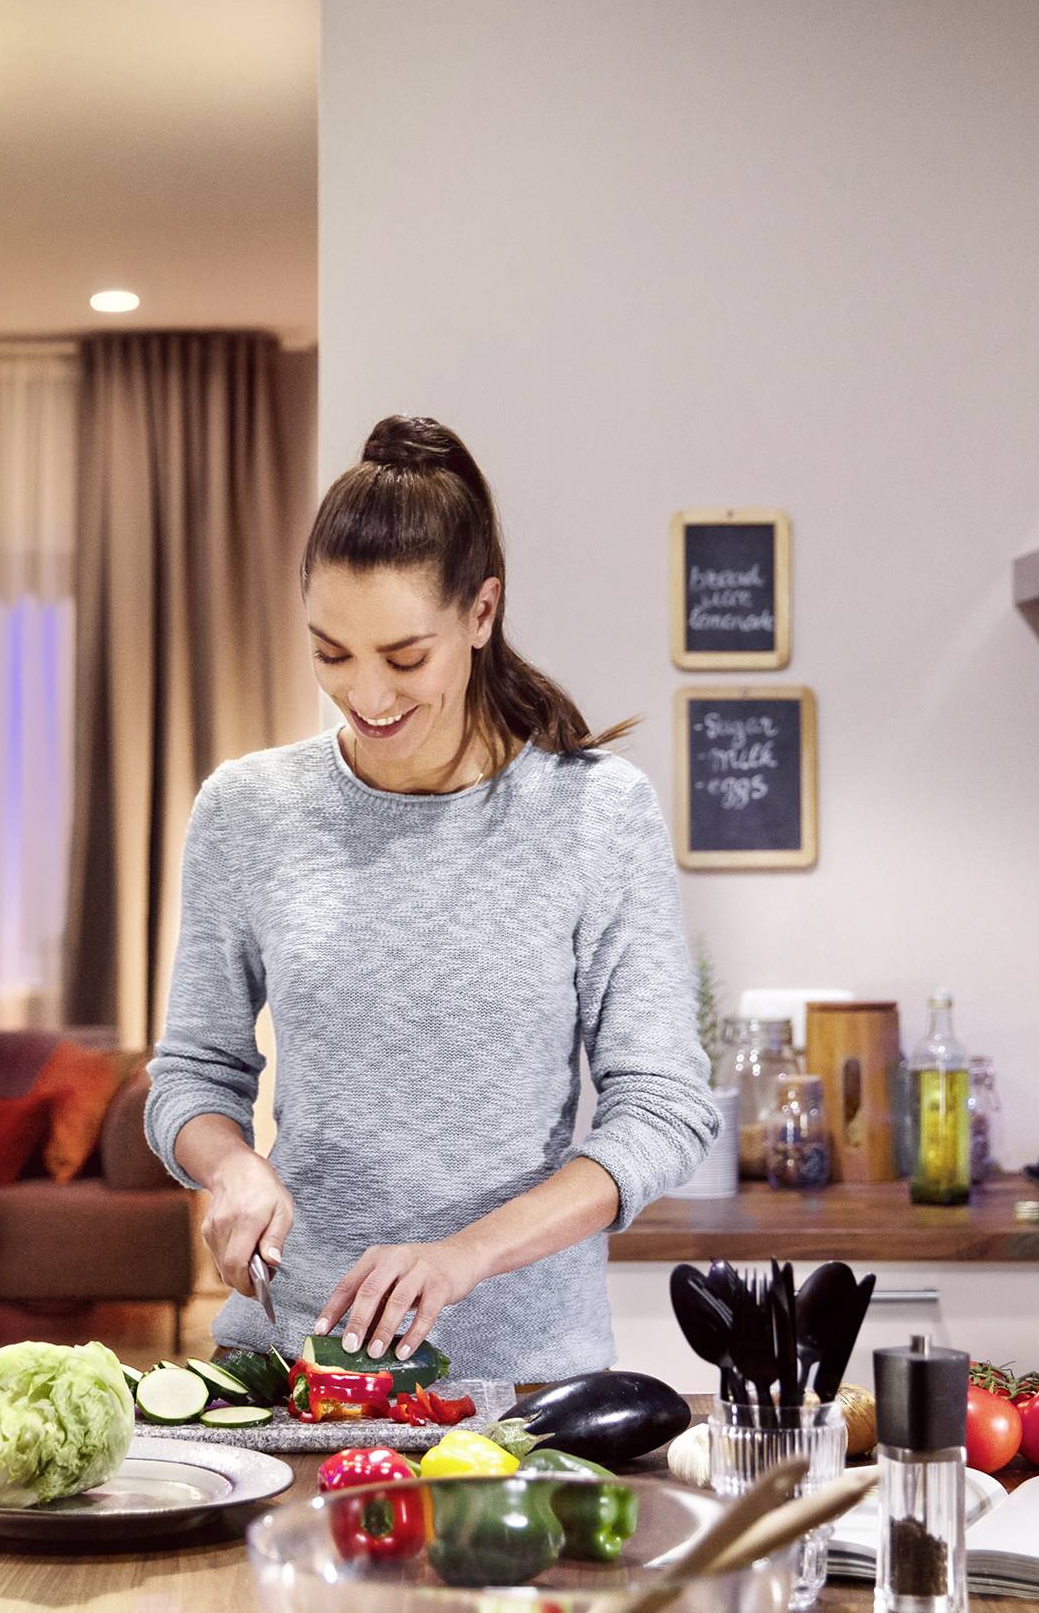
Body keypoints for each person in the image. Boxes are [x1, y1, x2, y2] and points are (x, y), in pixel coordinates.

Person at [144, 414, 717, 1383]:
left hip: (524, 1380)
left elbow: (662, 1110)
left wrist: (463, 1256)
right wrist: (230, 1165)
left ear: (482, 614)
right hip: (297, 1369)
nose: (366, 696)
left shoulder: (594, 813)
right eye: (331, 653)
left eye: (405, 658)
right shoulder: (248, 813)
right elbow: (191, 1075)